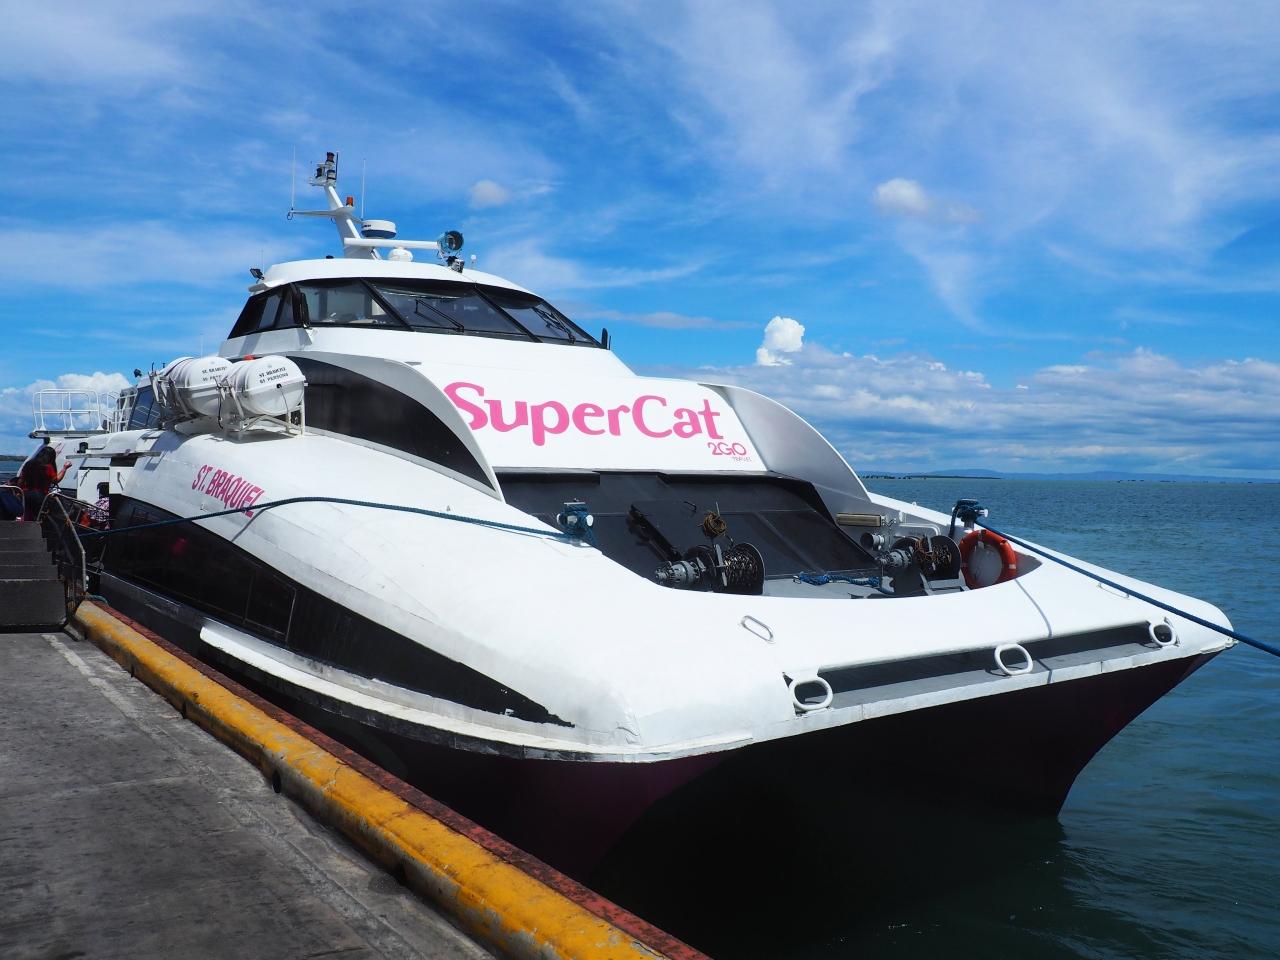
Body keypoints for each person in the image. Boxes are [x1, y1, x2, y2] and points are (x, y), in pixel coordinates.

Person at [18, 445, 67, 521]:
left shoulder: (28, 464)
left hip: (25, 494)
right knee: (41, 513)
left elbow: (21, 480)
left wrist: (18, 491)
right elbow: (56, 480)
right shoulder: (48, 467)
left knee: (27, 513)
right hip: (39, 496)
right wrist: (64, 468)